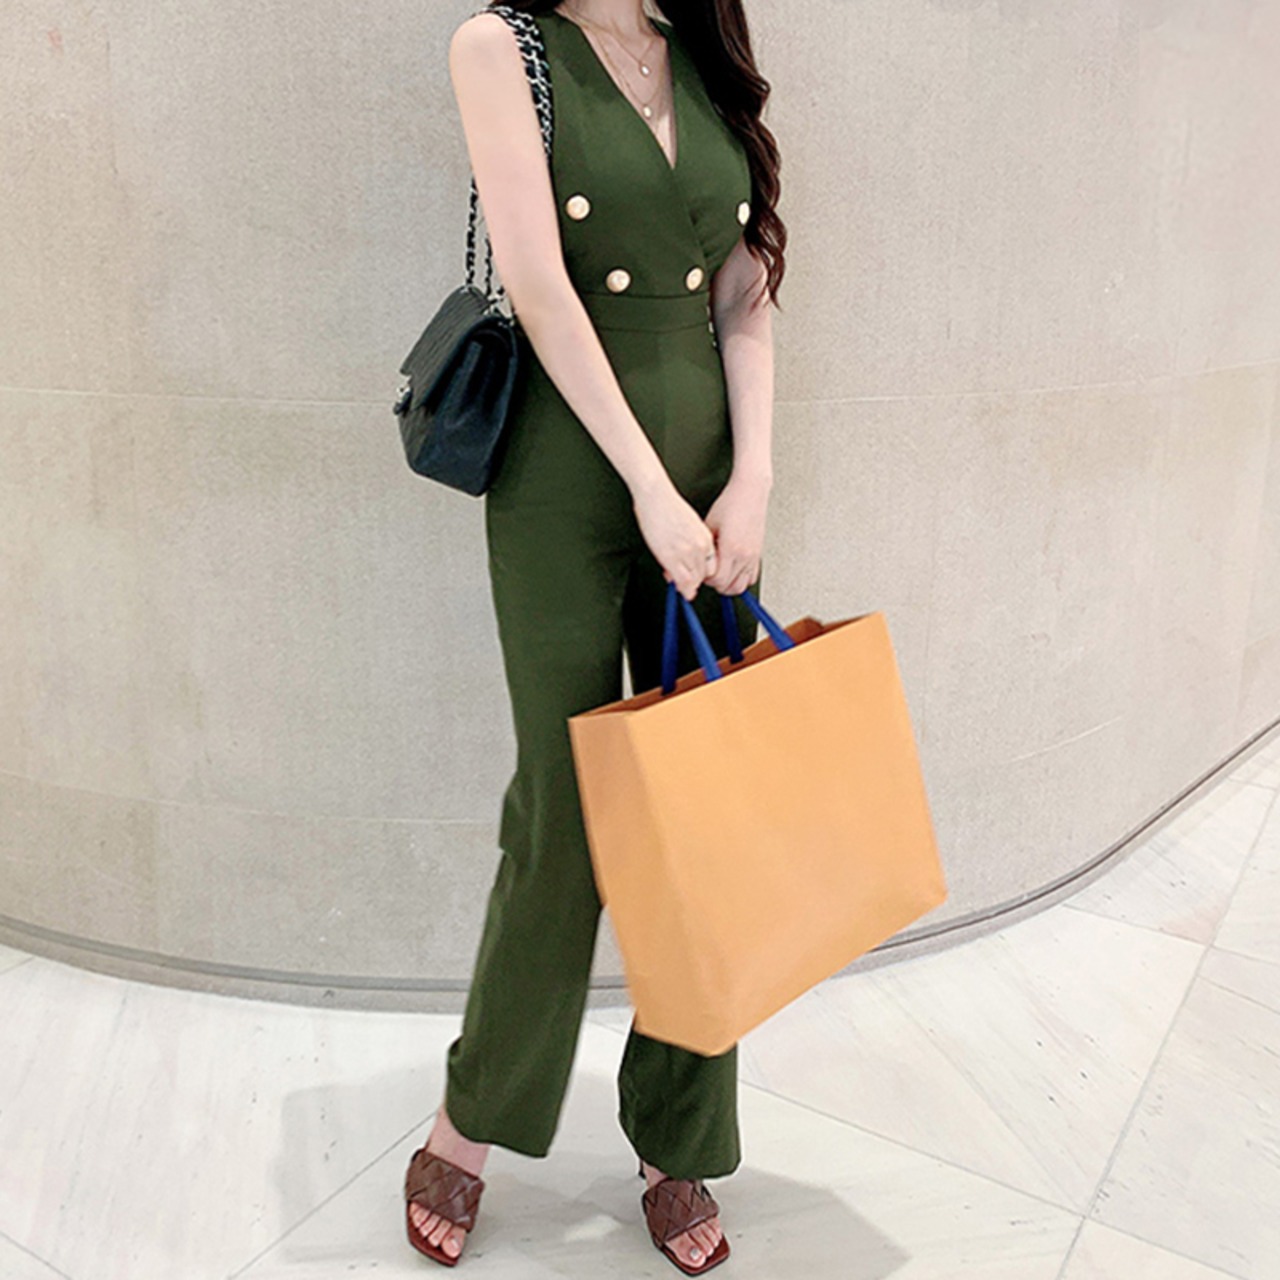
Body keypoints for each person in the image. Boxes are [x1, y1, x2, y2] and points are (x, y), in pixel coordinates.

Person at [403, 0, 785, 1271]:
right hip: (568, 475)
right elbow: (538, 284)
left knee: (699, 807)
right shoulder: (502, 46)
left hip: (711, 483)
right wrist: (647, 488)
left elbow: (745, 290)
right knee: (563, 807)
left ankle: (676, 1138)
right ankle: (470, 1120)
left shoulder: (703, 50)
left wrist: (751, 480)